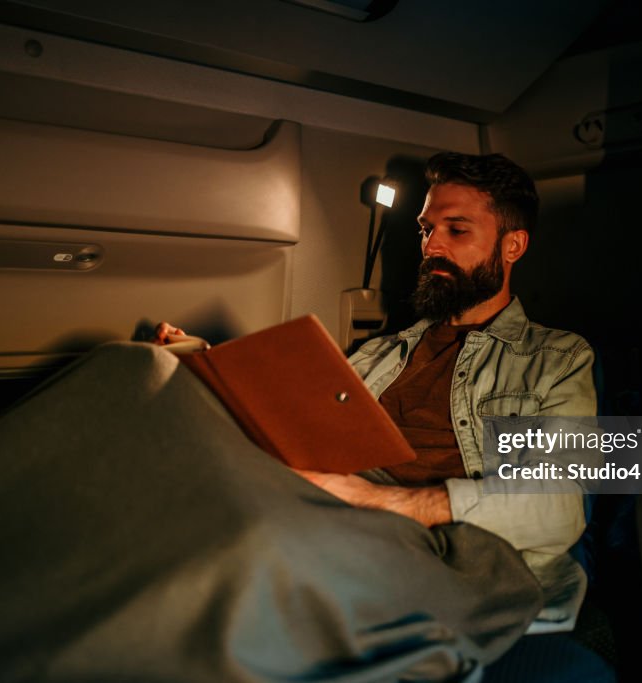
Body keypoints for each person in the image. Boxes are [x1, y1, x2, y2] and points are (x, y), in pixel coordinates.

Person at [157, 152, 598, 629]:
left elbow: (559, 502)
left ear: (512, 246)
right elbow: (302, 434)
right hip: (330, 519)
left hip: (452, 551)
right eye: (426, 230)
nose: (432, 246)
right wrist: (206, 366)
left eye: (457, 229)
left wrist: (378, 500)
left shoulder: (557, 357)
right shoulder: (378, 354)